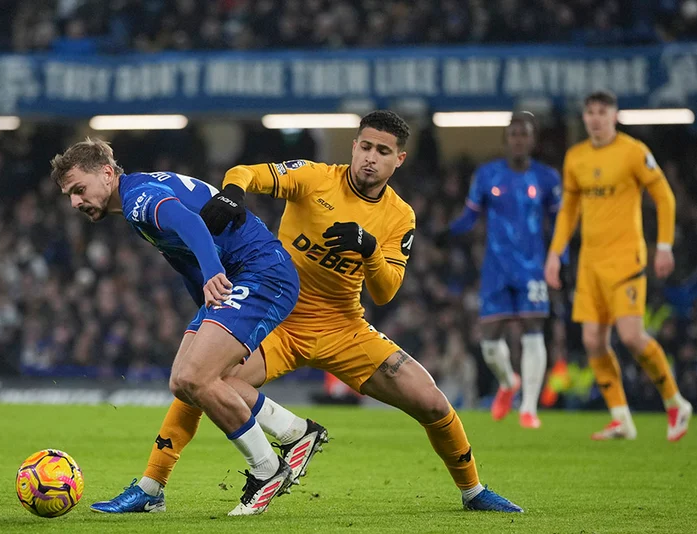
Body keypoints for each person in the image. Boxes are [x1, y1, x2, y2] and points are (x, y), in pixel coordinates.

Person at [117, 110, 522, 513]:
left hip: (345, 328)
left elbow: (386, 291)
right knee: (200, 379)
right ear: (353, 145)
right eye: (365, 146)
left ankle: (473, 491)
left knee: (431, 400)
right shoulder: (315, 178)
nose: (370, 157)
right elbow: (245, 171)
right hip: (278, 317)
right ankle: (153, 486)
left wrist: (369, 250)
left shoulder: (400, 216)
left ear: (399, 159)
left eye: (382, 151)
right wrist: (232, 193)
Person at [50, 139, 328, 516]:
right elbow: (184, 257)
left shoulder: (138, 199)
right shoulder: (137, 193)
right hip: (243, 276)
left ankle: (268, 470)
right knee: (185, 380)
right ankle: (296, 432)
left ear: (106, 173)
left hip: (261, 272)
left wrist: (214, 271)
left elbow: (188, 221)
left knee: (197, 376)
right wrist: (209, 311)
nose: (75, 203)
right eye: (69, 195)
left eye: (78, 190)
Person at [544, 90, 693, 441]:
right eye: (590, 112)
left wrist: (665, 246)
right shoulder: (576, 157)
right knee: (593, 340)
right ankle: (621, 418)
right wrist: (555, 253)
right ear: (584, 117)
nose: (595, 118)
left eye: (602, 111)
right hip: (590, 263)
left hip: (626, 259)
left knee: (631, 336)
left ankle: (676, 402)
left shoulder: (633, 152)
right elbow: (568, 210)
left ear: (614, 115)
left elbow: (664, 196)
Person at [435, 112, 562, 429]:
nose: (519, 139)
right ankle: (508, 382)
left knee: (534, 331)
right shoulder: (487, 175)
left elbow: (560, 222)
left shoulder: (547, 178)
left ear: (532, 140)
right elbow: (470, 215)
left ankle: (529, 408)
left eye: (524, 134)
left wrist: (561, 258)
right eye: (514, 134)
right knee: (489, 340)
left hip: (532, 267)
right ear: (506, 140)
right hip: (496, 268)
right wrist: (447, 232)